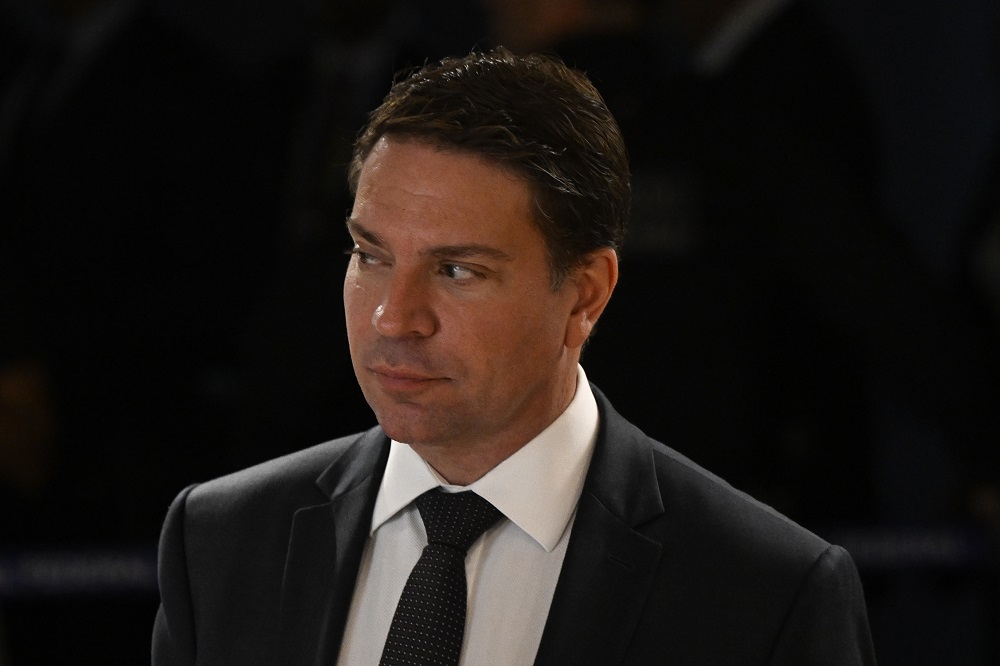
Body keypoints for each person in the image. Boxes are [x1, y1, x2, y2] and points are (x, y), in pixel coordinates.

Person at [152, 48, 876, 665]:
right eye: (371, 256)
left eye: (457, 270)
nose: (393, 317)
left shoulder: (767, 593)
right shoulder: (218, 542)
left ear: (585, 294)